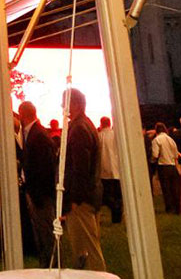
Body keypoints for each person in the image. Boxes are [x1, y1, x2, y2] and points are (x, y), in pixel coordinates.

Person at [60, 89, 104, 271]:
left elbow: (80, 169)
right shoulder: (84, 125)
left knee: (88, 248)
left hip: (81, 201)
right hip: (85, 197)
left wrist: (75, 200)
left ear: (75, 105)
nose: (63, 107)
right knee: (82, 248)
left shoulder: (79, 129)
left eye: (65, 103)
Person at [19, 101, 57, 262]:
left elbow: (44, 168)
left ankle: (51, 262)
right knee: (40, 231)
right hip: (35, 191)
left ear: (23, 115)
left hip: (40, 194)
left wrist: (38, 195)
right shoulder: (33, 133)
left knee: (45, 230)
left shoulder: (38, 135)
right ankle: (46, 260)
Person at [151, 122, 180, 214]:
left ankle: (169, 208)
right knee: (174, 188)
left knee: (166, 188)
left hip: (163, 166)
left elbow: (155, 155)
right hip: (172, 166)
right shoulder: (171, 140)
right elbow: (176, 155)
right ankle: (177, 207)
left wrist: (151, 161)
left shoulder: (156, 140)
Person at [96, 116, 121, 224]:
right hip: (117, 170)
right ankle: (117, 216)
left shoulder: (99, 136)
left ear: (101, 124)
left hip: (104, 170)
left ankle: (114, 208)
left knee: (107, 195)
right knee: (117, 194)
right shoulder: (116, 135)